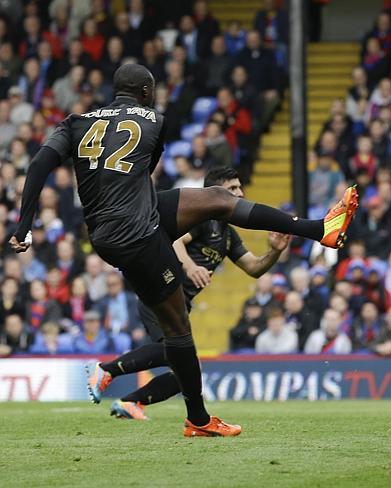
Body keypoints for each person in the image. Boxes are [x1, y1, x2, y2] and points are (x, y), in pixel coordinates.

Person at [10, 64, 359, 438]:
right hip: (136, 233)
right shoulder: (153, 120)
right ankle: (198, 419)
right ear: (145, 92)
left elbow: (39, 164)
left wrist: (24, 224)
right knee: (178, 331)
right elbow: (146, 166)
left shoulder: (75, 121)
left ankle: (319, 229)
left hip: (114, 226)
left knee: (217, 199)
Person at [85, 167, 290, 418]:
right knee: (175, 353)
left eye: (239, 187)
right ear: (214, 193)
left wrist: (275, 251)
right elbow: (174, 241)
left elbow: (254, 268)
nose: (240, 192)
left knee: (186, 372)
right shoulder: (201, 220)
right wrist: (191, 266)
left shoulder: (228, 234)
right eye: (232, 189)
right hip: (160, 293)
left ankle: (130, 402)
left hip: (181, 302)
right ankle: (106, 370)